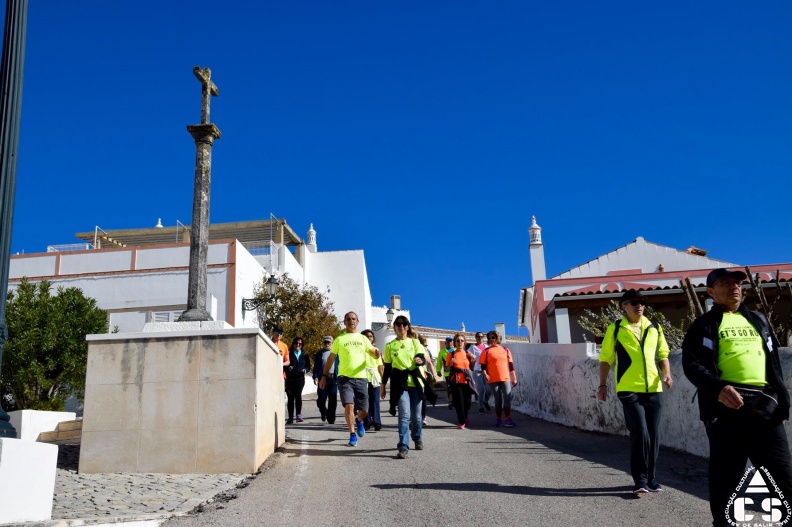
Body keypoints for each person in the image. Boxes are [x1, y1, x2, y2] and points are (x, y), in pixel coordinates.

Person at [682, 269, 792, 527]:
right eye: (725, 283)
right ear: (710, 292)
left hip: (764, 406)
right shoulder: (704, 325)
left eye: (737, 283)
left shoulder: (759, 320)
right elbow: (692, 364)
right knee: (726, 480)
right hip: (725, 409)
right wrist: (718, 388)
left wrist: (781, 404)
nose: (734, 287)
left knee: (782, 476)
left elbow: (773, 365)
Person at [597, 289, 672, 494]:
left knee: (654, 435)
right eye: (634, 302)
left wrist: (667, 374)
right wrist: (602, 385)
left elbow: (663, 353)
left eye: (642, 302)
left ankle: (651, 479)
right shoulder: (616, 328)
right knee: (640, 432)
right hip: (628, 388)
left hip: (654, 387)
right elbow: (605, 358)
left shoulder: (654, 326)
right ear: (624, 306)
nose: (639, 305)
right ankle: (640, 480)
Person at [318, 312, 380, 447]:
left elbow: (372, 353)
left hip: (362, 378)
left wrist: (376, 354)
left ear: (357, 322)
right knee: (349, 406)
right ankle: (352, 434)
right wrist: (323, 376)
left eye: (353, 319)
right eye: (348, 319)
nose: (351, 321)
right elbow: (330, 358)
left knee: (364, 410)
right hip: (344, 379)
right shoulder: (340, 339)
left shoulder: (363, 339)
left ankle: (359, 420)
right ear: (344, 322)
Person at [380, 315, 425, 459]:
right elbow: (387, 368)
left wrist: (420, 360)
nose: (401, 327)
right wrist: (382, 385)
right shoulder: (390, 346)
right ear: (395, 327)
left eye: (403, 324)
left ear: (407, 327)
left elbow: (421, 357)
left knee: (417, 417)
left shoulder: (415, 342)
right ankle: (403, 446)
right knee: (404, 415)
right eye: (398, 324)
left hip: (416, 382)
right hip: (400, 384)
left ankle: (417, 437)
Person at [480, 331, 518, 428]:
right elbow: (483, 367)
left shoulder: (505, 349)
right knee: (498, 399)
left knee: (507, 397)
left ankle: (507, 419)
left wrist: (514, 377)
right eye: (490, 338)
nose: (492, 339)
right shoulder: (486, 351)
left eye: (494, 337)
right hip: (493, 378)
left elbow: (511, 365)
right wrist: (485, 374)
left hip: (505, 377)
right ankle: (498, 419)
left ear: (498, 338)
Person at [445, 334, 477, 429]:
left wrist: (474, 359)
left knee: (467, 403)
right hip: (456, 380)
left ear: (464, 342)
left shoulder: (468, 354)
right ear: (455, 343)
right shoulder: (451, 354)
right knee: (459, 402)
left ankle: (465, 415)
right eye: (458, 341)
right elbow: (446, 369)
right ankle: (461, 421)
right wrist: (450, 364)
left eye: (462, 340)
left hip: (467, 381)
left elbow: (471, 368)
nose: (460, 342)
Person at [285, 336, 311, 424]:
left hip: (300, 378)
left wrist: (305, 370)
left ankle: (299, 415)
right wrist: (289, 368)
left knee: (298, 395)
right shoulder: (289, 353)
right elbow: (285, 365)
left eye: (300, 344)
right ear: (293, 344)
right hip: (290, 379)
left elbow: (308, 366)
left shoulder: (304, 354)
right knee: (290, 397)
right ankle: (290, 417)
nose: (298, 345)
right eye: (296, 343)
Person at [361, 329, 383, 432]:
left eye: (371, 336)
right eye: (367, 336)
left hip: (375, 378)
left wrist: (383, 380)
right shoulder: (360, 350)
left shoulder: (376, 350)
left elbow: (380, 366)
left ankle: (377, 422)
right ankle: (366, 422)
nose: (369, 338)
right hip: (363, 377)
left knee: (375, 401)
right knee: (365, 402)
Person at [313, 336, 338, 424]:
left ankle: (331, 418)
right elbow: (316, 367)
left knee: (332, 399)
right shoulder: (320, 354)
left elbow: (340, 366)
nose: (327, 344)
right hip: (322, 379)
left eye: (329, 342)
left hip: (333, 379)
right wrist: (315, 376)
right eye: (325, 342)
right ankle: (324, 412)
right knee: (321, 399)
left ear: (332, 343)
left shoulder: (336, 354)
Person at [418, 334, 441, 425]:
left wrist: (435, 375)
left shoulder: (424, 350)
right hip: (407, 379)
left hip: (422, 377)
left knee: (423, 398)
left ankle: (423, 416)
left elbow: (429, 363)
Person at [470, 332, 490, 413]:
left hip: (487, 370)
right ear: (476, 337)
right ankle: (480, 407)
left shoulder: (487, 347)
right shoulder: (472, 347)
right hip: (477, 370)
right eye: (478, 336)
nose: (480, 338)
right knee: (481, 389)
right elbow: (467, 354)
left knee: (489, 389)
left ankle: (485, 401)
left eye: (482, 336)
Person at [436, 336, 454, 409]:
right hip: (447, 373)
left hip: (457, 372)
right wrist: (438, 371)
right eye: (448, 342)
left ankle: (456, 401)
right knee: (449, 388)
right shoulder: (442, 351)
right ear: (445, 343)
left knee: (456, 388)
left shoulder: (456, 350)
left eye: (451, 342)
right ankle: (450, 402)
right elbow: (439, 362)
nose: (450, 343)